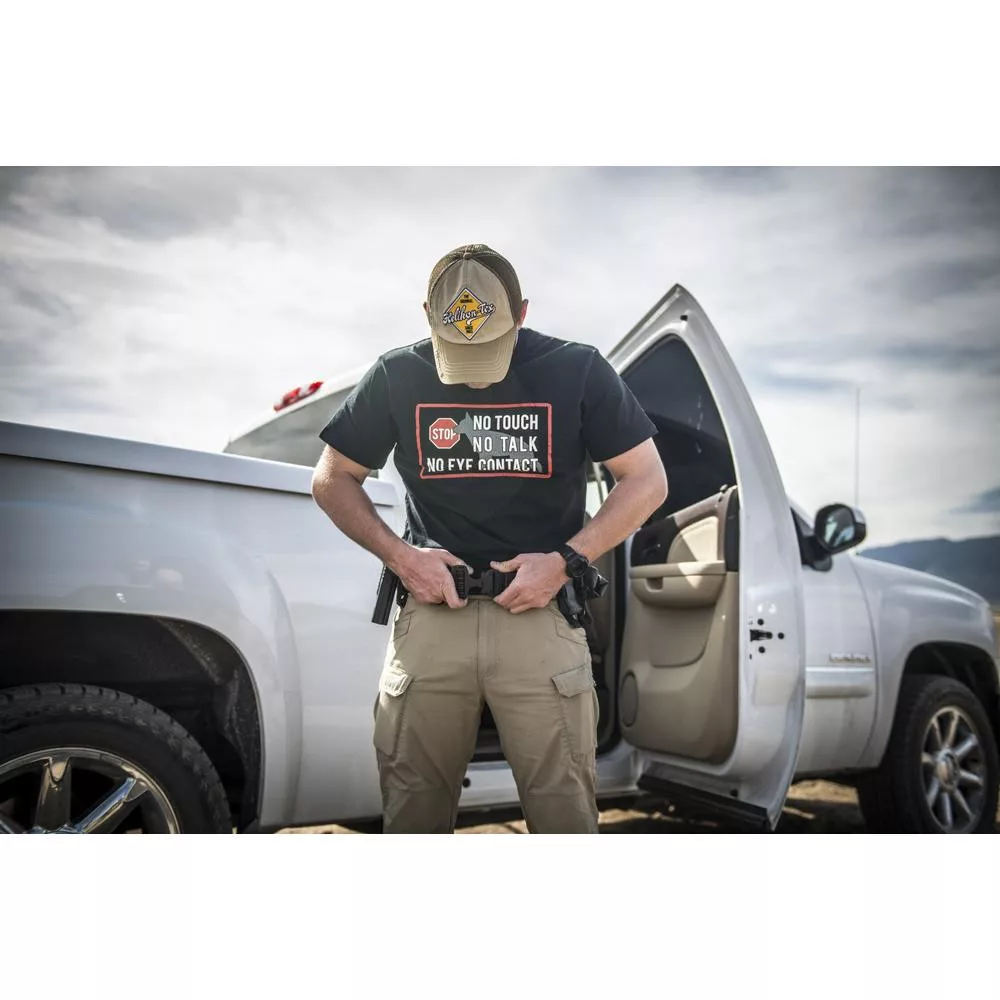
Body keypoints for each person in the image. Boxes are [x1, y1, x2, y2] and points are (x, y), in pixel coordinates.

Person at [310, 244, 667, 833]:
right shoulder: (398, 373)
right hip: (431, 619)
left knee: (564, 815)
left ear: (522, 313)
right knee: (413, 813)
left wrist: (566, 561)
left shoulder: (576, 369)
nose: (475, 374)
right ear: (428, 315)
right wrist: (402, 558)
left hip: (540, 618)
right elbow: (332, 479)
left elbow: (647, 480)